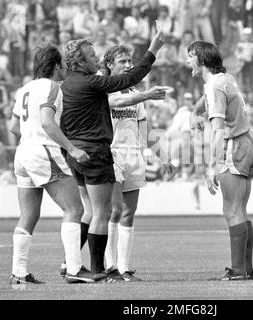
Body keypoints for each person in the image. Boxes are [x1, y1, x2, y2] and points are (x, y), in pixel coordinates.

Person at [59, 24, 165, 282]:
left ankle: (75, 265)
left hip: (78, 153)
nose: (96, 59)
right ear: (81, 61)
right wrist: (152, 51)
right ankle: (99, 270)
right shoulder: (94, 84)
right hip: (98, 152)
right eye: (92, 56)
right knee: (103, 212)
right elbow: (126, 84)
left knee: (93, 212)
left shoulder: (67, 85)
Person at [8, 44, 95, 285]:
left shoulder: (24, 88)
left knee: (28, 215)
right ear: (56, 66)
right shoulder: (52, 87)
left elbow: (13, 127)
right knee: (75, 209)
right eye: (63, 65)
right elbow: (47, 122)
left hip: (23, 152)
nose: (66, 68)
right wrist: (73, 149)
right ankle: (74, 269)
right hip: (42, 150)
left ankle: (19, 272)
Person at [186, 40, 253, 280]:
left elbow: (217, 130)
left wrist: (210, 167)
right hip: (247, 143)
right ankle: (245, 269)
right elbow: (214, 101)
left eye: (190, 56)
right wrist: (196, 112)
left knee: (232, 209)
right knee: (241, 210)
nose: (187, 61)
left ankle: (238, 270)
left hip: (232, 146)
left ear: (202, 60)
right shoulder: (225, 79)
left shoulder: (214, 86)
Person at [102, 45, 175, 281]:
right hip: (111, 153)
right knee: (114, 210)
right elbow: (116, 104)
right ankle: (110, 266)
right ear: (109, 64)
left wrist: (163, 157)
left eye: (129, 60)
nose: (128, 64)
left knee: (129, 212)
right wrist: (145, 94)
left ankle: (124, 268)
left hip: (133, 154)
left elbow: (146, 130)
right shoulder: (103, 90)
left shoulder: (136, 95)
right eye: (122, 61)